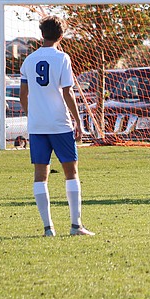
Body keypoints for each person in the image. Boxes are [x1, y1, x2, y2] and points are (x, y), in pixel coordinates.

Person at [19, 16, 94, 237]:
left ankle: (48, 228)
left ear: (41, 34)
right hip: (60, 124)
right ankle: (75, 226)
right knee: (71, 173)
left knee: (40, 175)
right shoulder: (62, 58)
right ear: (61, 36)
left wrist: (31, 115)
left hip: (37, 125)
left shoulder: (29, 60)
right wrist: (78, 120)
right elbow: (67, 91)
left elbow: (24, 94)